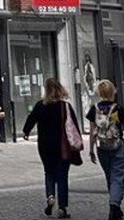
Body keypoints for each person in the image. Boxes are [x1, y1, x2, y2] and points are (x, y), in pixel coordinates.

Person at [24, 77, 82, 219]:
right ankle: (62, 208)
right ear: (59, 89)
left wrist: (26, 132)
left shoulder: (40, 106)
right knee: (62, 176)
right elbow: (73, 125)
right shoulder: (65, 106)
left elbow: (30, 120)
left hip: (44, 145)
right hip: (62, 146)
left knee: (49, 172)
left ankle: (50, 196)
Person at [90, 79, 124, 220]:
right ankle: (114, 205)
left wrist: (91, 149)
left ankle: (114, 204)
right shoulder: (118, 109)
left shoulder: (95, 109)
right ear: (113, 91)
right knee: (118, 176)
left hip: (102, 147)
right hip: (118, 146)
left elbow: (92, 131)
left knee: (110, 176)